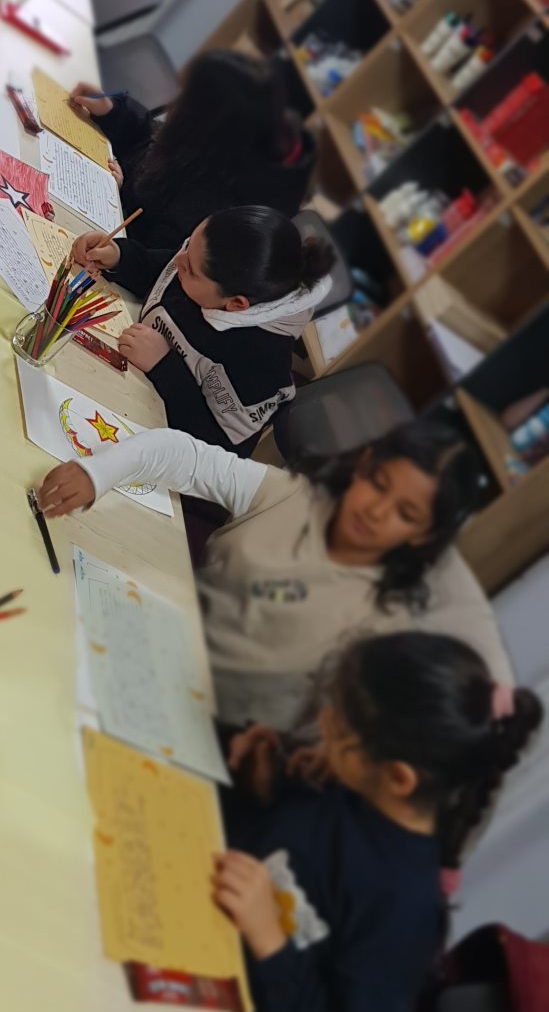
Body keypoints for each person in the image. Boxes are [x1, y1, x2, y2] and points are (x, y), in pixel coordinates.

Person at [211, 631, 542, 1012]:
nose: (324, 724)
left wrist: (271, 941)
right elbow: (290, 856)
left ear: (398, 777)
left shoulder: (402, 912)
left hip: (217, 1005)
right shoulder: (349, 785)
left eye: (340, 729)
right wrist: (266, 786)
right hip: (199, 898)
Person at [37, 418, 513, 724]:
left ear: (424, 535)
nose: (376, 510)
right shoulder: (293, 496)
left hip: (194, 723)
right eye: (377, 483)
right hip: (141, 637)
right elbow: (182, 455)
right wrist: (99, 472)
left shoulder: (385, 621)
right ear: (364, 464)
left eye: (405, 514)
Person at [71, 206, 333, 454]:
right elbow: (160, 271)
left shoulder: (262, 368)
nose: (178, 260)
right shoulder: (201, 264)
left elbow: (214, 449)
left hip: (146, 436)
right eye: (187, 246)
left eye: (190, 269)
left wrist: (163, 366)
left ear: (236, 304)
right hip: (120, 373)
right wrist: (119, 257)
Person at [68, 50, 315, 255]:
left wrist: (121, 196)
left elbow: (153, 254)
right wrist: (112, 111)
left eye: (184, 100)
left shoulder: (211, 205)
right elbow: (151, 139)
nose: (173, 104)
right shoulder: (210, 148)